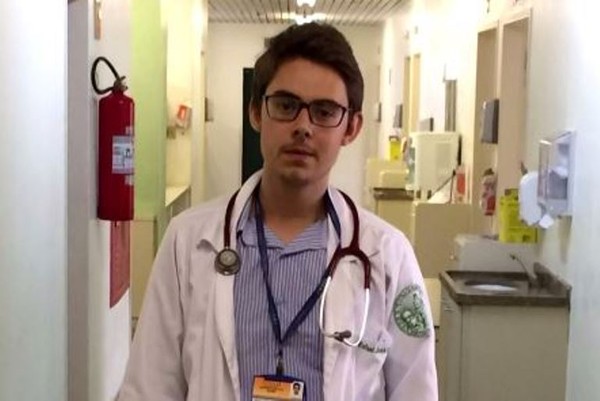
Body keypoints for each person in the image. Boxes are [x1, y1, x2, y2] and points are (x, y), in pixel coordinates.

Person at [117, 22, 438, 401]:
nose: (303, 127)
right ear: (256, 112)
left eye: (324, 111)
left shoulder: (387, 254)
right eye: (286, 106)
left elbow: (416, 390)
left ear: (351, 128)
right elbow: (150, 387)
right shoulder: (187, 241)